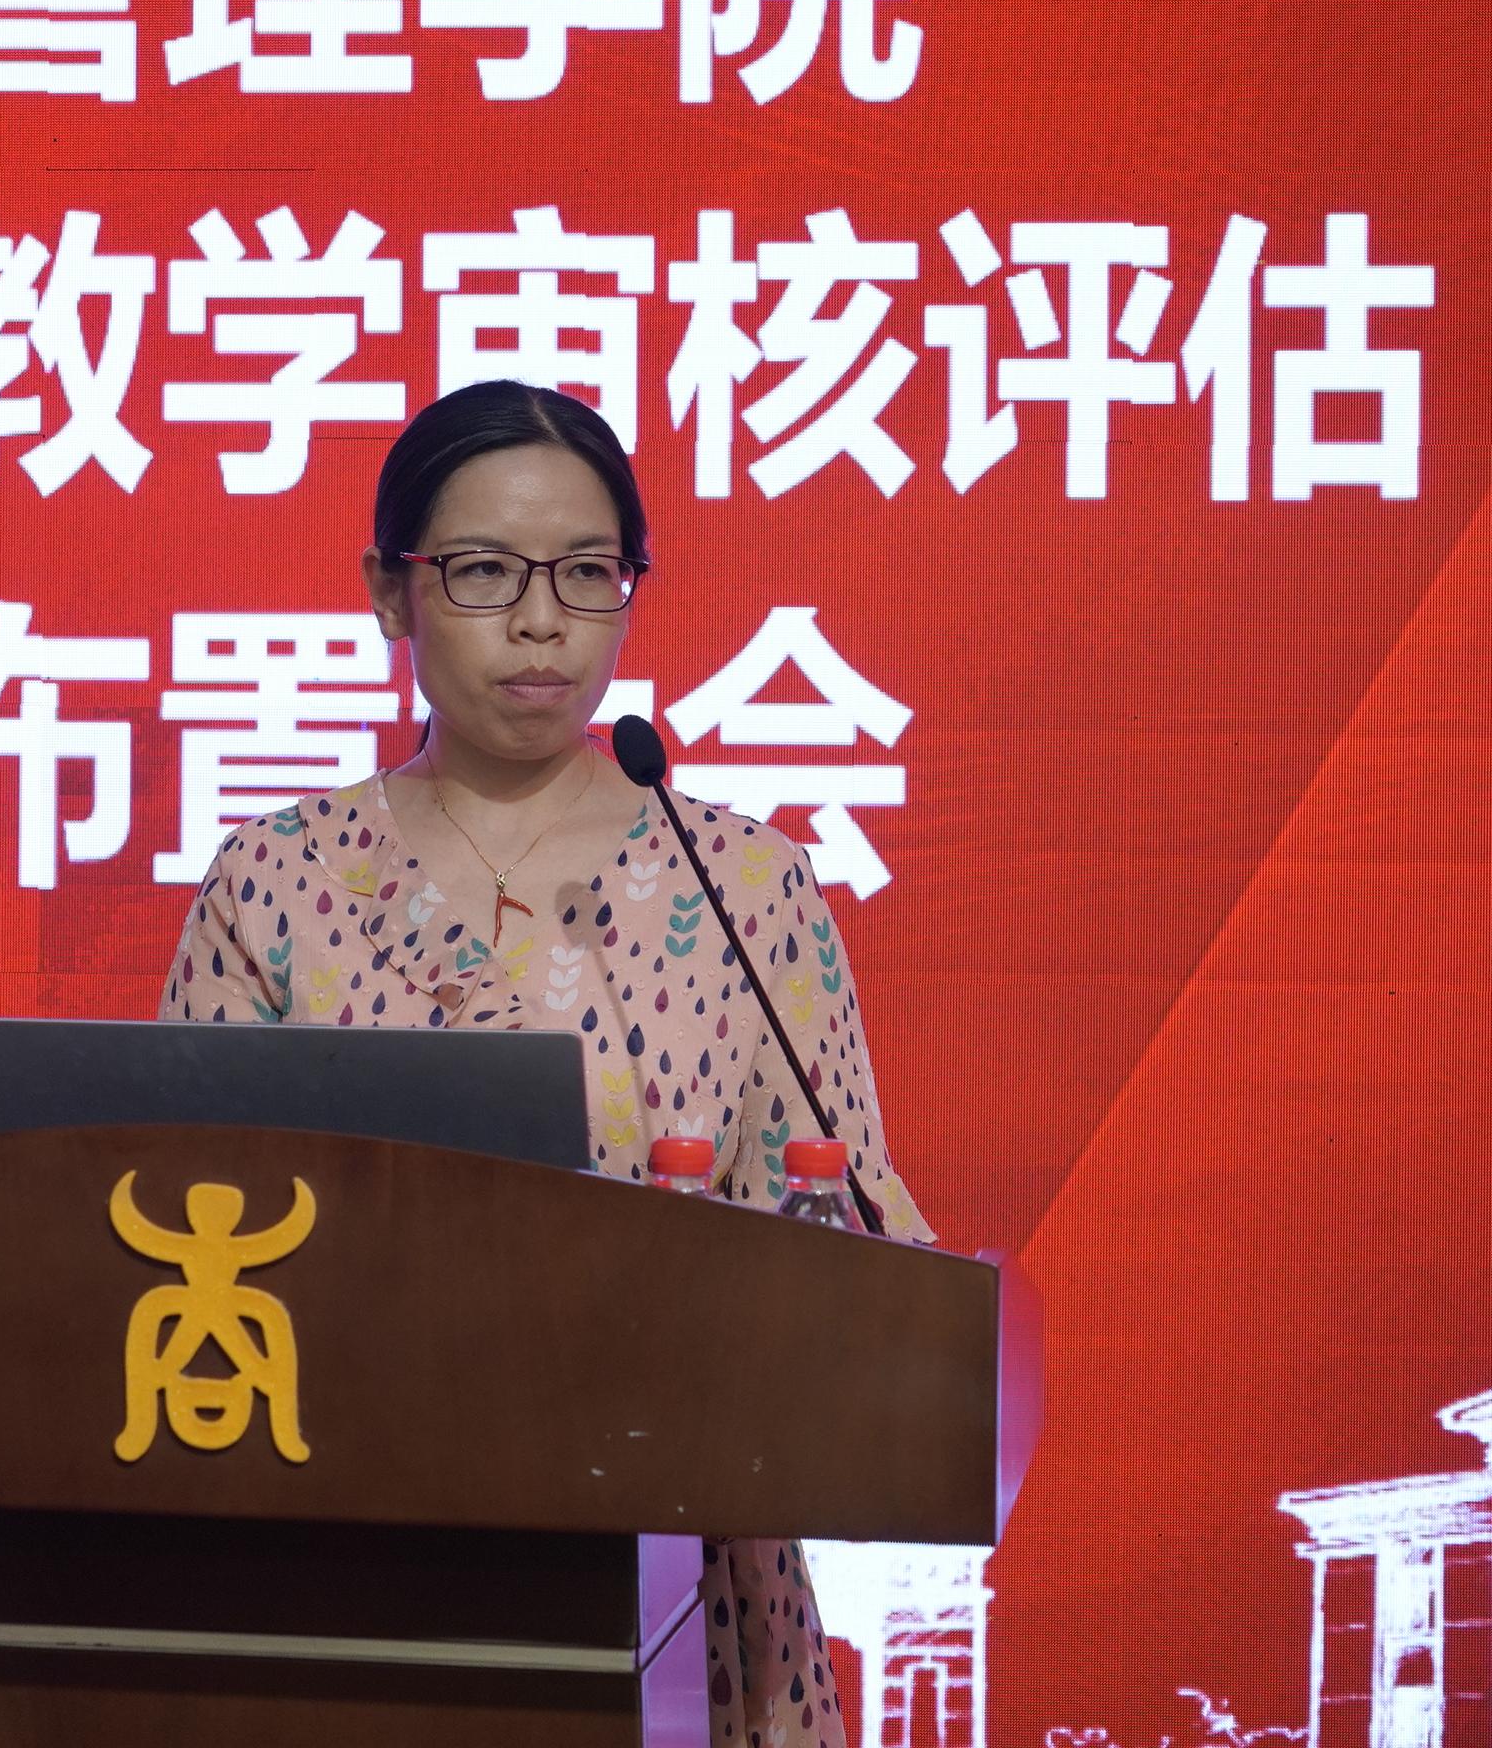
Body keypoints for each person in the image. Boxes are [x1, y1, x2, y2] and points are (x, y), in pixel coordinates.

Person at [161, 378, 931, 1748]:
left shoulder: (742, 882)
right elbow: (173, 1227)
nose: (541, 622)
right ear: (390, 593)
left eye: (587, 573)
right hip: (342, 1551)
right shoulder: (277, 880)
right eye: (482, 571)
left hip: (680, 1555)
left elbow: (850, 1229)